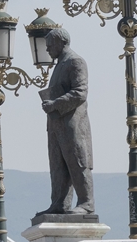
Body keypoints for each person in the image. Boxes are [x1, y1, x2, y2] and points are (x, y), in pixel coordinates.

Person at [38, 26, 96, 216]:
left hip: (73, 124)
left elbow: (80, 93)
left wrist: (54, 104)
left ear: (62, 43)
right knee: (57, 165)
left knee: (77, 162)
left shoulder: (75, 61)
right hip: (56, 125)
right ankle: (59, 203)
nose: (47, 49)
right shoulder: (59, 65)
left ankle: (86, 203)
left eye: (50, 45)